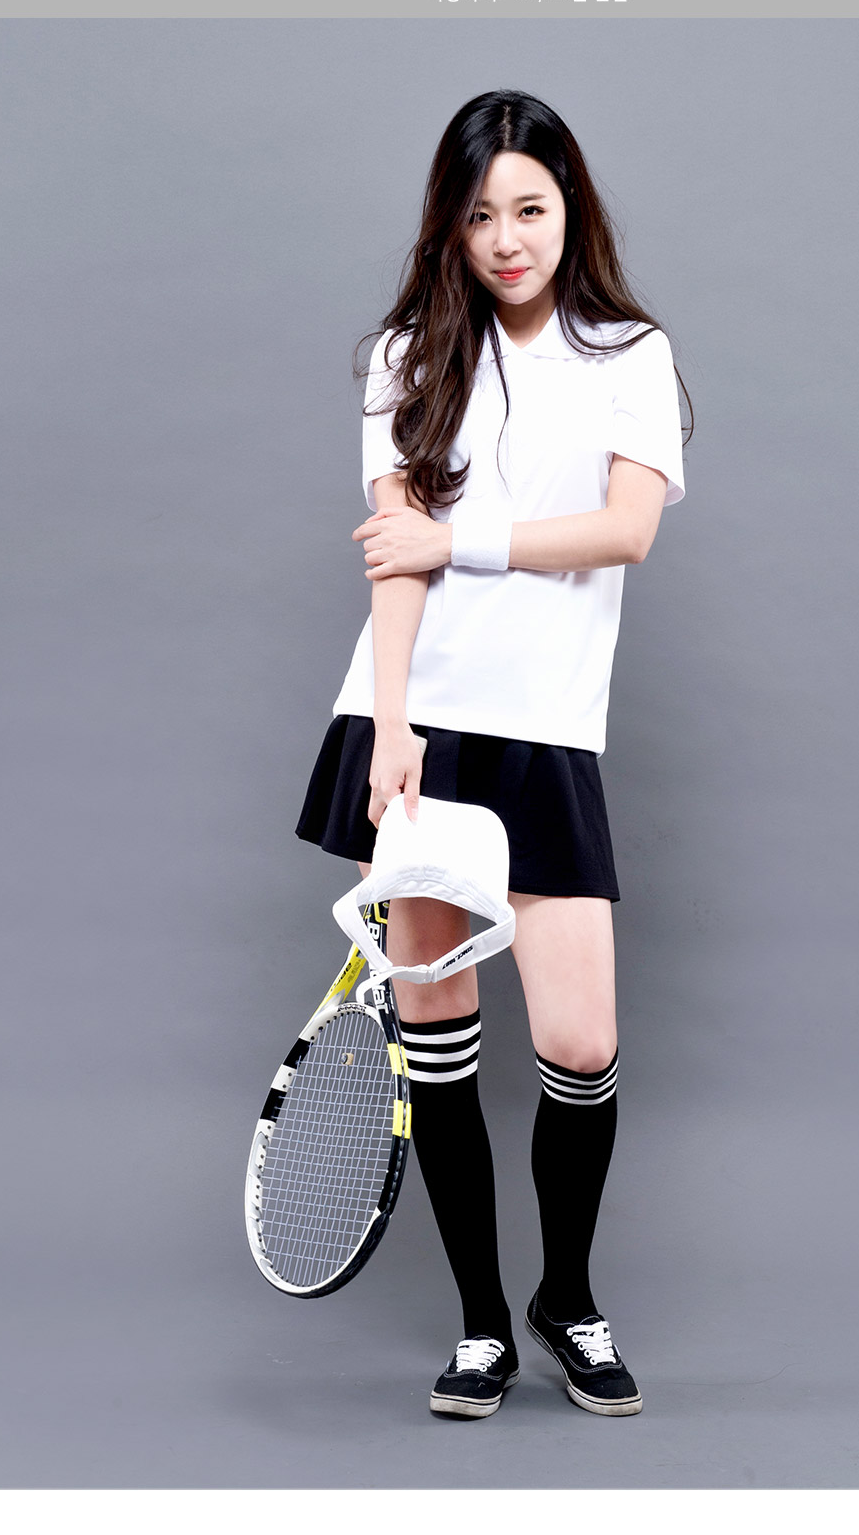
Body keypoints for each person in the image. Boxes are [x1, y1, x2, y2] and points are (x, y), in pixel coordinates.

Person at [296, 88, 691, 1420]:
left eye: (528, 208)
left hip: (549, 735)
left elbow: (626, 531)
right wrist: (388, 725)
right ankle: (479, 1326)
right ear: (448, 227)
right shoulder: (406, 354)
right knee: (440, 1036)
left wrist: (456, 537)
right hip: (422, 727)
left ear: (570, 208)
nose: (506, 239)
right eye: (478, 216)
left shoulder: (628, 353)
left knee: (580, 1043)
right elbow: (390, 563)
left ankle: (564, 1297)